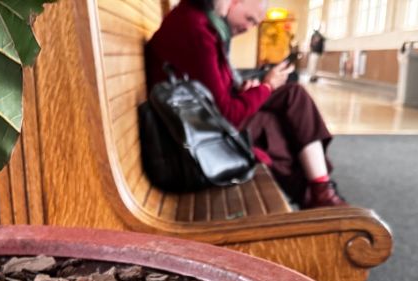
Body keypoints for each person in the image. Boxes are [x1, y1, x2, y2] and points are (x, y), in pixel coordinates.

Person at [146, 0, 346, 208]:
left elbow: (216, 92)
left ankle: (319, 192)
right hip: (193, 131)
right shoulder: (197, 30)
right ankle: (318, 194)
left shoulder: (200, 23)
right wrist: (266, 87)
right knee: (277, 120)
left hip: (198, 119)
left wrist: (245, 91)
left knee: (288, 101)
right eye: (250, 19)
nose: (249, 28)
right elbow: (226, 115)